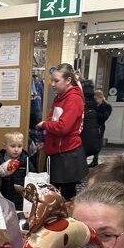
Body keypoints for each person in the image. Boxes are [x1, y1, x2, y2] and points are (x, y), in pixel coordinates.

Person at [36, 63, 87, 201]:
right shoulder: (61, 97)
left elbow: (63, 127)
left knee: (67, 196)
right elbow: (55, 119)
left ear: (68, 80)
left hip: (67, 154)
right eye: (52, 80)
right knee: (54, 193)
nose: (52, 84)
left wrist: (44, 125)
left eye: (56, 81)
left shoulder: (73, 99)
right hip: (59, 152)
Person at [0, 131, 35, 209]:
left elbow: (33, 177)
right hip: (3, 198)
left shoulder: (26, 162)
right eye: (13, 146)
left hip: (21, 199)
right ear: (4, 146)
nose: (16, 149)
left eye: (19, 146)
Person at [80, 79, 102, 165]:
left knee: (80, 156)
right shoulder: (94, 101)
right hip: (92, 134)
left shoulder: (80, 101)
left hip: (82, 133)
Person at [93, 88, 112, 166]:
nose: (95, 101)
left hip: (100, 126)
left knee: (98, 143)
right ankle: (94, 160)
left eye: (96, 99)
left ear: (100, 97)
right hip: (94, 125)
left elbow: (104, 117)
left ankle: (95, 160)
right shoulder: (95, 105)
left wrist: (94, 113)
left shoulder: (106, 106)